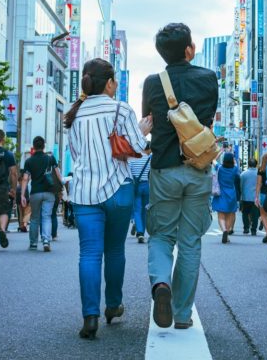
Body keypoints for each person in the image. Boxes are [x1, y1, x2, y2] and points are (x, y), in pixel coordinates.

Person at [66, 58, 151, 339]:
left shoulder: (73, 114)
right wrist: (142, 129)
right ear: (110, 82)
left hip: (83, 192)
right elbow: (138, 148)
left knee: (89, 253)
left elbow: (76, 156)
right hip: (118, 189)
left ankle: (90, 316)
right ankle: (113, 305)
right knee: (115, 251)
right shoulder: (121, 109)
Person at [142, 23, 218, 330]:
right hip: (198, 167)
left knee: (161, 234)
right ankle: (183, 314)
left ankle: (161, 283)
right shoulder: (209, 78)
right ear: (190, 50)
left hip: (164, 167)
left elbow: (148, 119)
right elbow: (210, 117)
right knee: (190, 241)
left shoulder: (151, 82)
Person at [21, 136, 62, 251]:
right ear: (44, 146)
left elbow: (25, 178)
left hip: (35, 193)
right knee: (47, 217)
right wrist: (62, 186)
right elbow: (58, 175)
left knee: (34, 218)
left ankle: (33, 243)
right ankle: (45, 241)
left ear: (34, 147)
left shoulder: (29, 161)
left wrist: (22, 194)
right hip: (49, 192)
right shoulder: (51, 159)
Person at [212, 153, 240, 243]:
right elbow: (236, 163)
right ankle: (227, 234)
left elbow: (213, 160)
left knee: (221, 215)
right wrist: (233, 157)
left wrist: (220, 152)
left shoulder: (219, 168)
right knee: (229, 215)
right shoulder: (235, 169)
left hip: (221, 193)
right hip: (231, 193)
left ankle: (224, 230)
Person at [129, 153, 152, 243]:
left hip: (136, 186)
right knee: (145, 210)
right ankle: (142, 229)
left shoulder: (132, 159)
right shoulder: (148, 158)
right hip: (146, 186)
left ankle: (140, 232)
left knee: (137, 210)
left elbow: (128, 172)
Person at [240, 158, 259, 236]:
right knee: (255, 215)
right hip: (256, 197)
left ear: (248, 164)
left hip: (246, 196)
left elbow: (241, 186)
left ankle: (246, 228)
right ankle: (254, 230)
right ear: (256, 164)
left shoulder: (243, 174)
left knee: (245, 213)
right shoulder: (259, 173)